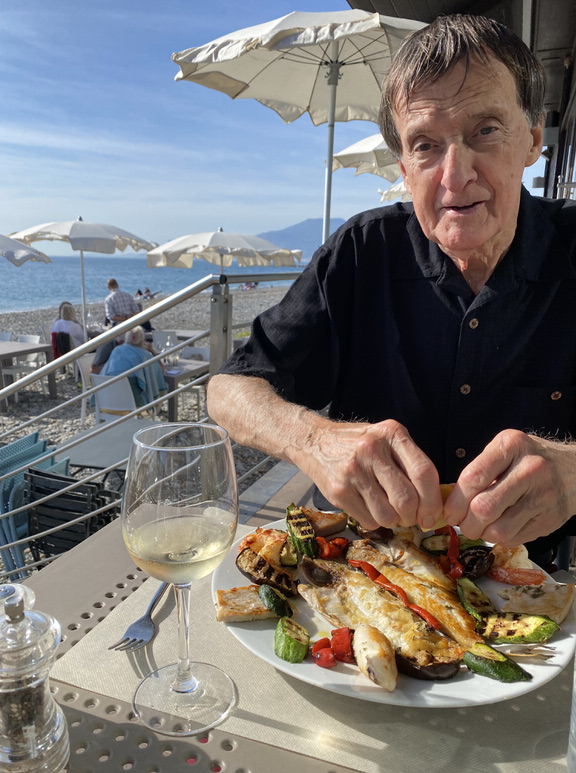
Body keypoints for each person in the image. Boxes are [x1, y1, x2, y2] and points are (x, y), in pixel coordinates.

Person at [206, 14, 576, 567]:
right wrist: (312, 440)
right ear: (404, 166)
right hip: (358, 571)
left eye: (485, 130)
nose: (455, 175)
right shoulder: (362, 251)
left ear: (532, 139)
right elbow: (228, 388)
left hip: (528, 584)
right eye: (426, 145)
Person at [100, 326, 166, 407]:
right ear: (142, 339)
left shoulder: (117, 351)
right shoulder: (144, 355)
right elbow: (161, 369)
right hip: (134, 404)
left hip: (110, 401)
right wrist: (152, 350)